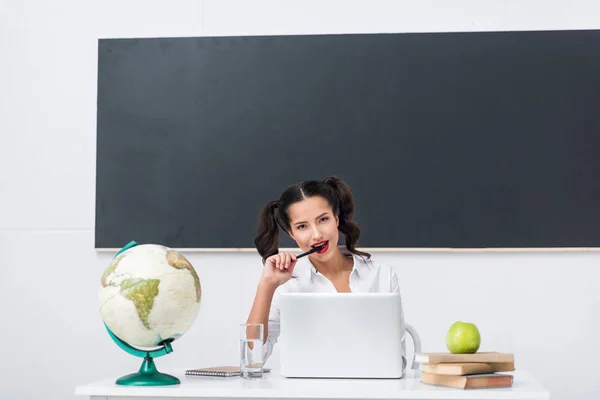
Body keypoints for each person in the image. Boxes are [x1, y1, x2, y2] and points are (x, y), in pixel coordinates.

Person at [246, 176, 407, 367]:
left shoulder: (381, 275)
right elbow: (253, 360)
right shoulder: (287, 285)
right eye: (302, 226)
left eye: (323, 220)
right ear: (291, 233)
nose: (316, 234)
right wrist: (267, 285)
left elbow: (398, 360)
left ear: (336, 219)